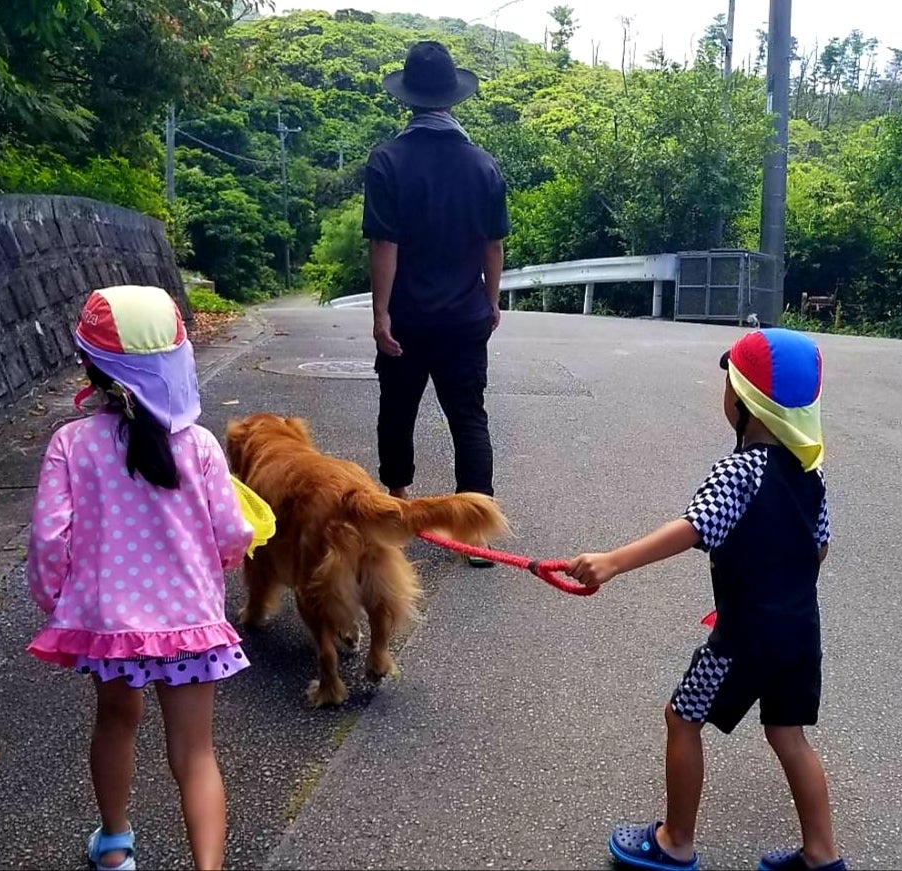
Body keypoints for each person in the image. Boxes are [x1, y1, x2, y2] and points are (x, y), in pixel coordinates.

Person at [568, 328, 846, 871]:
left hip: (744, 637)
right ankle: (821, 855)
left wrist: (612, 561)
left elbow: (695, 527)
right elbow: (820, 548)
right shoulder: (810, 475)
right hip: (799, 631)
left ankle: (675, 841)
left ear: (742, 402)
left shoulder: (741, 469)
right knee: (787, 733)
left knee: (682, 717)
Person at [25, 285, 254, 871]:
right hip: (190, 623)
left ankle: (115, 846)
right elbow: (232, 532)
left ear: (90, 365)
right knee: (196, 753)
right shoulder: (199, 445)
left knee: (115, 723)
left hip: (110, 627)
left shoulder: (72, 444)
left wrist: (57, 603)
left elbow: (50, 540)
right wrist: (217, 569)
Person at [363, 40, 510, 566]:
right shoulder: (483, 165)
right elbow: (493, 245)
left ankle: (396, 507)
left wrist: (381, 314)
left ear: (408, 99)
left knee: (397, 410)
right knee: (468, 418)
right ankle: (476, 533)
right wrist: (490, 302)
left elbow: (385, 243)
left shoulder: (386, 160)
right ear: (452, 98)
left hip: (407, 317)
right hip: (464, 317)